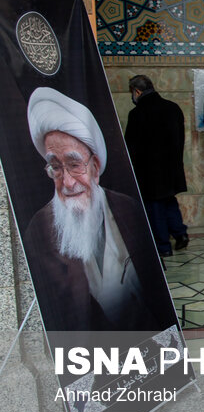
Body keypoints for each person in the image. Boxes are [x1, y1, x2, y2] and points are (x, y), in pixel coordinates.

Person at [23, 87, 163, 333]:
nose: (67, 182)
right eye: (55, 167)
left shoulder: (127, 208)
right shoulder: (40, 228)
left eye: (75, 165)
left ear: (95, 168)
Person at [124, 75, 189, 257]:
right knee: (169, 200)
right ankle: (180, 233)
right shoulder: (173, 108)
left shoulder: (137, 113)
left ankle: (163, 246)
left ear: (137, 91)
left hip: (149, 171)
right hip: (172, 167)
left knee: (155, 207)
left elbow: (131, 146)